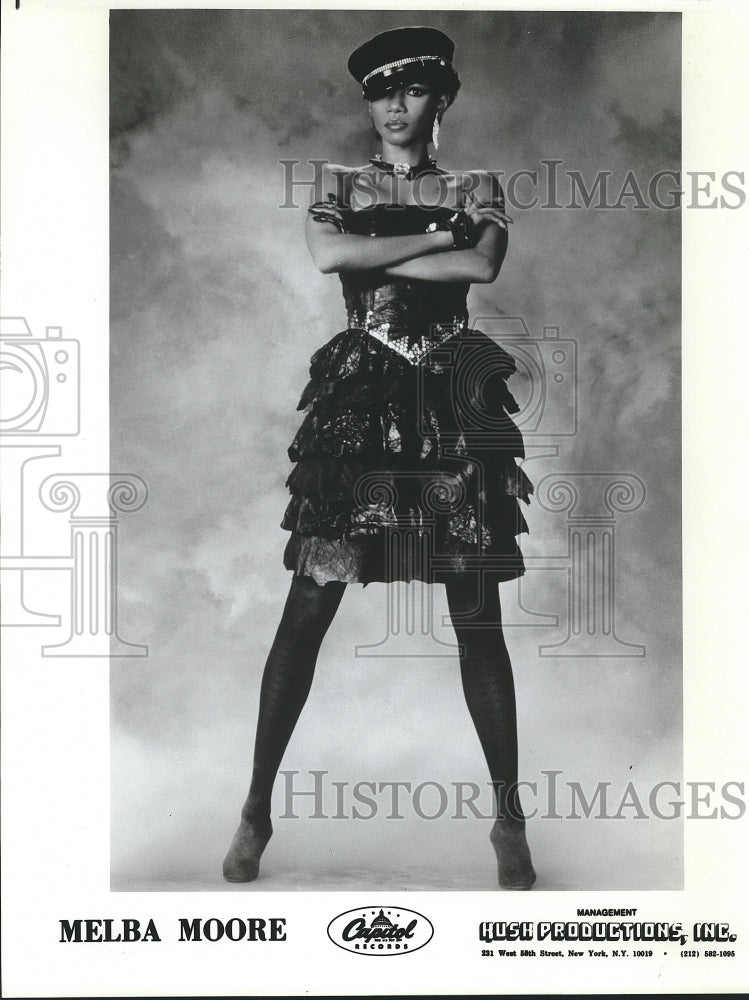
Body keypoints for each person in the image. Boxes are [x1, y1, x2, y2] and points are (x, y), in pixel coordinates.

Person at [223, 26, 536, 890]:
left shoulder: (478, 185)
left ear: (443, 98)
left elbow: (484, 264)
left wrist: (416, 238)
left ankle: (508, 824)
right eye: (380, 93)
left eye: (413, 90)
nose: (395, 107)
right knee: (309, 606)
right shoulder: (336, 184)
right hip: (358, 400)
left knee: (477, 617)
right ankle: (256, 808)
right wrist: (436, 235)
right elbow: (332, 255)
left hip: (452, 399)